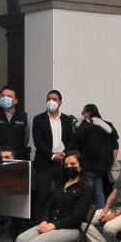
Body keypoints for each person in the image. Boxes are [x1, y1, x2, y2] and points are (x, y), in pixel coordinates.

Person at [16, 151, 94, 242]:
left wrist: (54, 225)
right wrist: (44, 221)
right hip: (50, 224)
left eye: (73, 164)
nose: (69, 167)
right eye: (66, 165)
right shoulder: (60, 184)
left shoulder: (86, 188)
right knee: (20, 241)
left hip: (71, 229)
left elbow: (77, 216)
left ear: (81, 166)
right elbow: (48, 206)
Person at [31, 89, 78, 217]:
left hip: (63, 163)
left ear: (60, 102)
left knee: (62, 194)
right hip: (44, 163)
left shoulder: (67, 120)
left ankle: (59, 220)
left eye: (54, 99)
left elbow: (71, 140)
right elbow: (38, 142)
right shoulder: (38, 119)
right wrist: (52, 156)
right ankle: (40, 222)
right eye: (48, 99)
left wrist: (64, 154)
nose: (51, 101)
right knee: (42, 195)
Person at [73, 103, 118, 207]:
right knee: (99, 191)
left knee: (87, 191)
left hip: (89, 164)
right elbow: (115, 146)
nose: (82, 115)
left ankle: (86, 212)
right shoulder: (107, 126)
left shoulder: (87, 125)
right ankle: (100, 212)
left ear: (88, 113)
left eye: (83, 112)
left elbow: (77, 137)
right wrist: (110, 162)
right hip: (102, 166)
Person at [0, 85, 30, 161]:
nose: (5, 98)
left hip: (17, 159)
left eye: (9, 96)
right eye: (3, 96)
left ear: (16, 101)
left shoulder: (23, 117)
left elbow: (25, 139)